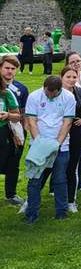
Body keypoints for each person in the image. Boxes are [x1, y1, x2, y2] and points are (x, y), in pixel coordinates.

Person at [24, 75, 74, 222]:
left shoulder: (69, 97)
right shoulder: (34, 96)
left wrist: (57, 143)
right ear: (44, 87)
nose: (50, 95)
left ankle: (61, 213)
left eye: (54, 93)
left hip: (61, 146)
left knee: (59, 180)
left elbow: (67, 122)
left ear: (60, 90)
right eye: (48, 92)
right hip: (38, 145)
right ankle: (31, 214)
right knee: (34, 180)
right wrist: (40, 144)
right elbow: (32, 122)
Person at [60, 66, 81, 213]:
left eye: (74, 77)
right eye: (68, 77)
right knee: (48, 167)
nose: (72, 80)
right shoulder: (56, 92)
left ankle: (71, 201)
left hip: (77, 132)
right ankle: (32, 199)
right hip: (58, 133)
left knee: (73, 167)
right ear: (62, 78)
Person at [0, 55, 28, 206]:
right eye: (7, 68)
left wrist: (21, 132)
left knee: (13, 162)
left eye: (13, 68)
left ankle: (10, 194)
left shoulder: (21, 89)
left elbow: (23, 113)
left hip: (16, 131)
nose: (10, 71)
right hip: (1, 130)